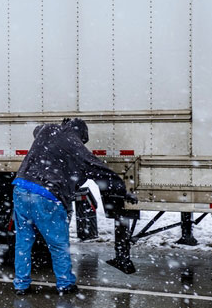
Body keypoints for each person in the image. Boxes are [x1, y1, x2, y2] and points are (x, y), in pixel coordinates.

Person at [11, 118, 134, 295]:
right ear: (81, 135)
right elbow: (102, 172)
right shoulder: (77, 148)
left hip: (21, 188)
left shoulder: (47, 130)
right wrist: (122, 191)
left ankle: (21, 285)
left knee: (23, 240)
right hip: (47, 195)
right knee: (58, 243)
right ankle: (65, 283)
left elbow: (36, 130)